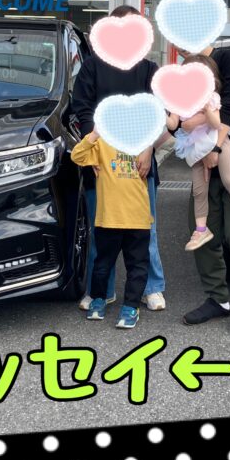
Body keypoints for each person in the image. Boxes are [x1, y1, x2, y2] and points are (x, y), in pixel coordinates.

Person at [70, 5, 166, 312]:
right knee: (102, 230)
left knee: (146, 230)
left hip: (140, 162)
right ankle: (102, 291)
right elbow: (82, 108)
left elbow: (159, 112)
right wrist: (92, 151)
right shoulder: (92, 67)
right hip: (101, 164)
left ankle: (152, 288)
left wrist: (149, 148)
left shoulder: (148, 69)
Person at [177, 41, 230, 335]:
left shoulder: (228, 58)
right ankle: (217, 299)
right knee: (201, 230)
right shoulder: (188, 67)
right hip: (202, 162)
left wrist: (215, 148)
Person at [166, 54, 230, 251]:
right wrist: (164, 116)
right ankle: (201, 229)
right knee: (199, 191)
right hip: (196, 149)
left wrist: (200, 116)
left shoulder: (212, 98)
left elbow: (217, 123)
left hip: (218, 142)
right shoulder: (179, 101)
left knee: (229, 178)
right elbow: (174, 124)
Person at [70, 128, 151, 329]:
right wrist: (95, 134)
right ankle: (98, 299)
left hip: (137, 218)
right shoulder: (102, 141)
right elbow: (77, 156)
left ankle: (131, 306)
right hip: (108, 218)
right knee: (102, 264)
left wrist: (148, 147)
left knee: (137, 266)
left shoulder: (142, 140)